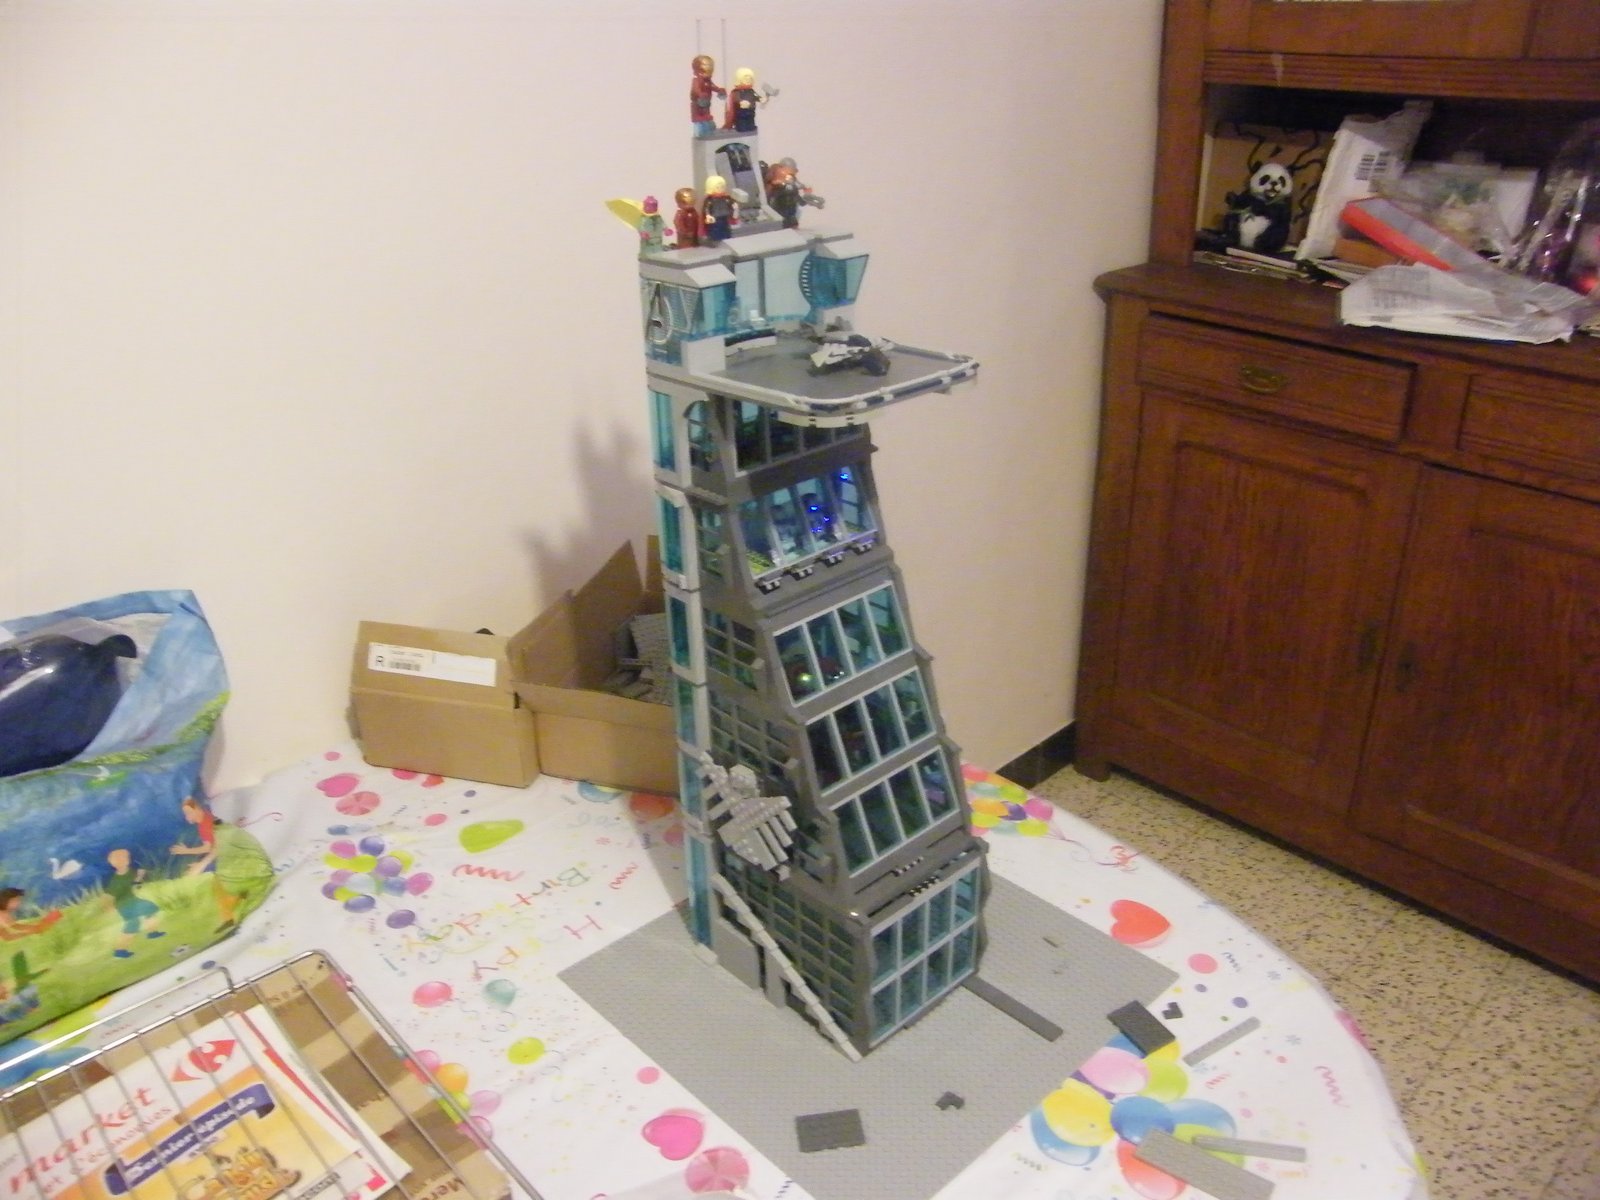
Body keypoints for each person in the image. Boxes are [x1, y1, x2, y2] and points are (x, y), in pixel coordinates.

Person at [689, 55, 725, 138]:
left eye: (710, 65)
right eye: (706, 65)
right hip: (698, 104)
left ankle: (707, 125)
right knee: (700, 117)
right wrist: (700, 94)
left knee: (706, 114)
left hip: (706, 102)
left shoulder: (707, 80)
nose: (709, 67)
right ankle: (701, 130)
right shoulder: (697, 79)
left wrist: (719, 90)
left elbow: (712, 86)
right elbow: (695, 89)